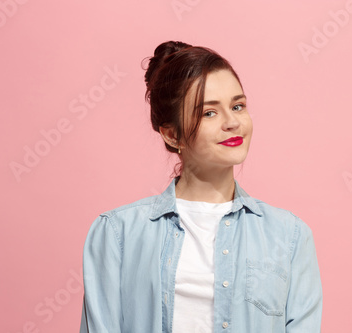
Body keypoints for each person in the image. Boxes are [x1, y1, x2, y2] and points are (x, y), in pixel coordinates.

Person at [79, 40, 322, 333]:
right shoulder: (117, 234)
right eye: (209, 112)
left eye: (238, 106)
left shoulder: (290, 236)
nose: (232, 122)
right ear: (172, 134)